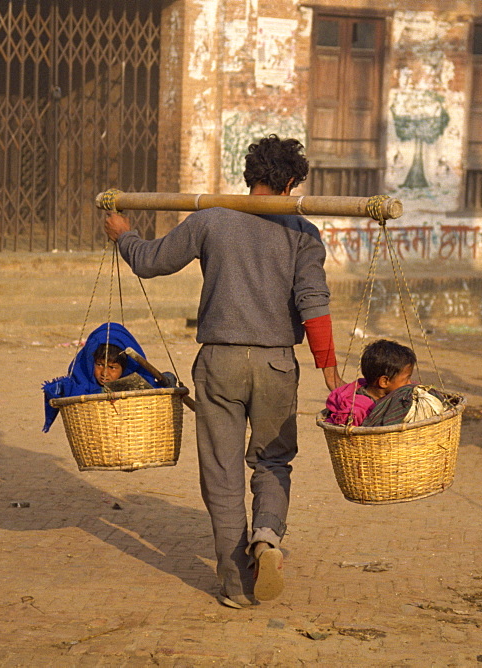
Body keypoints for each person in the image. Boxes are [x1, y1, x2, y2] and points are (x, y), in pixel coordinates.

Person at [103, 135, 342, 609]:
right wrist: (329, 367)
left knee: (222, 470)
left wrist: (123, 234)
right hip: (276, 363)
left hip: (220, 361)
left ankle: (235, 584)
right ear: (292, 182)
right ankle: (268, 538)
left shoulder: (210, 220)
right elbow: (312, 302)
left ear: (248, 176)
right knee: (272, 460)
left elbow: (151, 263)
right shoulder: (303, 233)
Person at [41, 322, 157, 432]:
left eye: (112, 368)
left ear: (125, 368)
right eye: (100, 365)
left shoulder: (138, 385)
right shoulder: (80, 387)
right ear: (91, 363)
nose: (104, 373)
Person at [325, 338, 446, 427]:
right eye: (406, 379)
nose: (409, 383)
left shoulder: (395, 392)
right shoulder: (358, 409)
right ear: (384, 381)